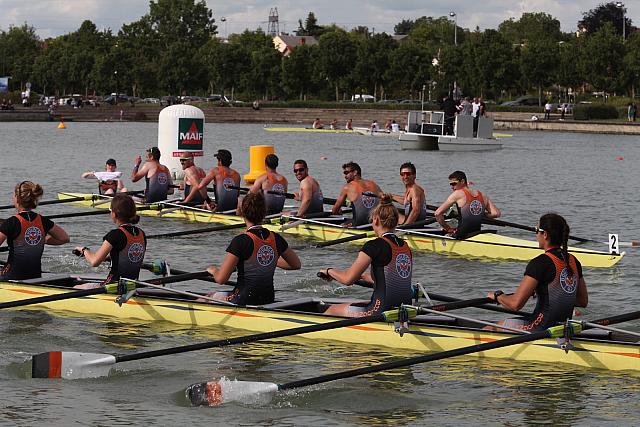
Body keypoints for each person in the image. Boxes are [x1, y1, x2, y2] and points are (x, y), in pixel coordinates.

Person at [487, 213, 588, 331]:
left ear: (545, 234)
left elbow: (515, 304)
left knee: (490, 328)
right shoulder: (573, 261)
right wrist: (545, 292)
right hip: (563, 328)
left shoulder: (540, 263)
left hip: (539, 328)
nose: (535, 235)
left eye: (536, 230)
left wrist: (498, 296)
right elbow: (582, 301)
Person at [319, 193, 413, 317]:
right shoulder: (405, 246)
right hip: (405, 310)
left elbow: (348, 279)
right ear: (395, 222)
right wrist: (362, 276)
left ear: (376, 220)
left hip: (379, 311)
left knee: (331, 310)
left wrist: (329, 271)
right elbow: (386, 279)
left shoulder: (373, 246)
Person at [206, 192, 301, 305]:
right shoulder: (275, 238)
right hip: (268, 299)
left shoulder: (240, 241)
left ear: (242, 212)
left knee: (208, 297)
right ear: (264, 213)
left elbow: (221, 279)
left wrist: (214, 270)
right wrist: (267, 260)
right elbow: (296, 264)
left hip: (243, 299)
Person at [73, 194, 146, 289]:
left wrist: (84, 250)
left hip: (113, 286)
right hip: (132, 285)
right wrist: (107, 258)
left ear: (114, 214)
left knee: (75, 288)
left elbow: (94, 262)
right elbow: (125, 255)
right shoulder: (141, 234)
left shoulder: (115, 235)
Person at [0, 181, 69, 280]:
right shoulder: (42, 220)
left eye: (13, 195)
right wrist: (39, 239)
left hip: (12, 277)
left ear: (17, 199)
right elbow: (64, 238)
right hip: (35, 276)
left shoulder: (11, 223)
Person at [434, 171, 500, 238]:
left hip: (462, 235)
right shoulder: (482, 195)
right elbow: (496, 214)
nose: (451, 187)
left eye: (454, 184)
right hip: (477, 233)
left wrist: (447, 228)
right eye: (450, 184)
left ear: (462, 181)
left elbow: (437, 213)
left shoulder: (457, 194)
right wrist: (478, 213)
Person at [332, 161, 382, 227]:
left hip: (359, 225)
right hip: (375, 224)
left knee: (340, 224)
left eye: (346, 173)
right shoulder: (373, 184)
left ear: (355, 172)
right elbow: (384, 201)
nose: (345, 176)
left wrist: (339, 212)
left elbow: (334, 210)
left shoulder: (347, 187)